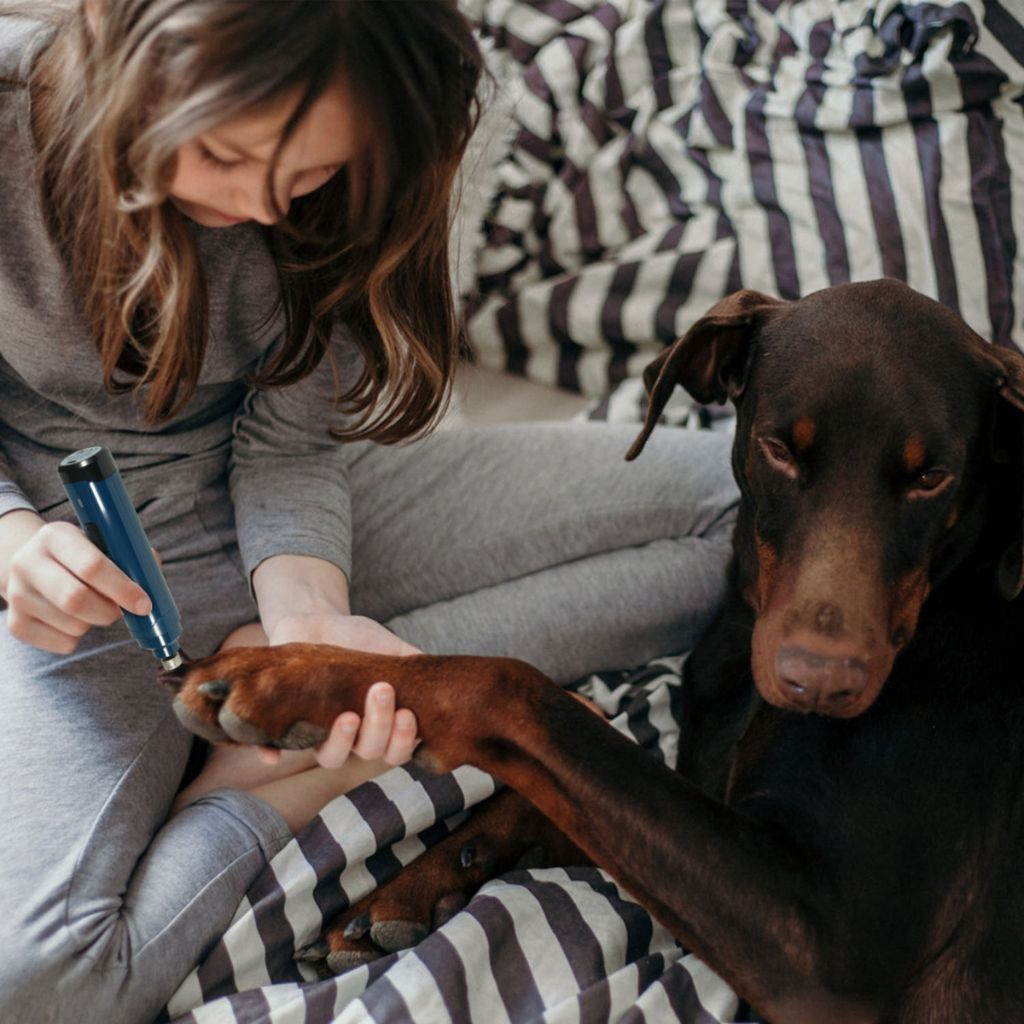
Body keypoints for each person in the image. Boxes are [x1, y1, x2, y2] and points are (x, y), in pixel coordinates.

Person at [0, 1, 739, 1021]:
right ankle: (265, 776)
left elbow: (292, 441)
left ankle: (334, 695)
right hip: (81, 574)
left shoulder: (366, 159)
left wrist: (312, 636)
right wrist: (11, 541)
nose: (261, 208)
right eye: (225, 152)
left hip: (291, 509)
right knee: (40, 981)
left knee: (743, 516)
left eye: (301, 179)